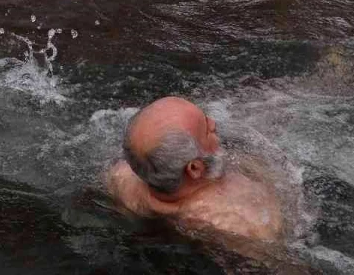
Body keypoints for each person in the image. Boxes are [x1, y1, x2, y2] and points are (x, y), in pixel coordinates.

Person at [107, 97, 284, 242]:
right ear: (195, 168)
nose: (213, 123)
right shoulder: (237, 223)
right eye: (206, 129)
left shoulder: (120, 177)